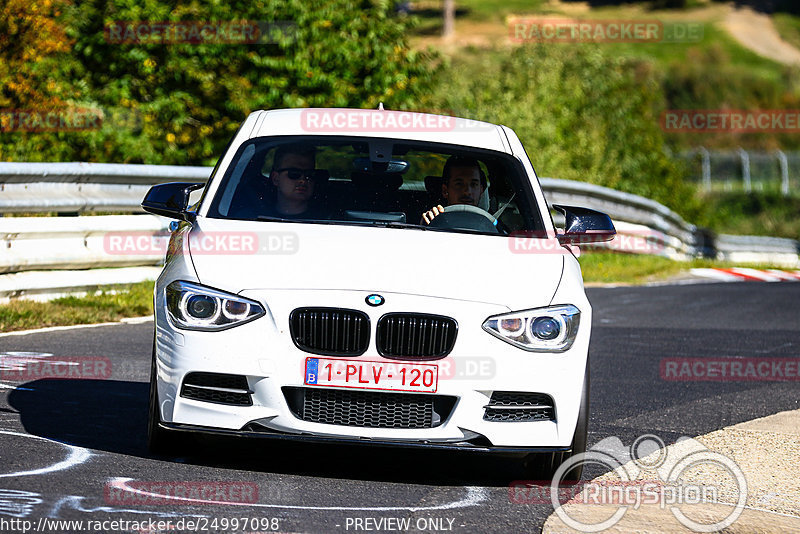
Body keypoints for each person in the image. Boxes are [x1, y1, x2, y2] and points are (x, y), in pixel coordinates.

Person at [266, 145, 328, 219]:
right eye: (294, 174)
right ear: (275, 178)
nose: (303, 180)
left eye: (310, 174)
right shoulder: (254, 216)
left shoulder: (330, 220)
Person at [421, 155, 487, 224]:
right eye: (459, 184)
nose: (467, 192)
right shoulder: (434, 219)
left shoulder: (494, 227)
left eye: (473, 184)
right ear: (445, 190)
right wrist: (427, 225)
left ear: (481, 190)